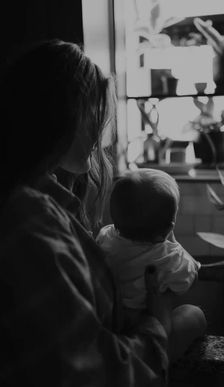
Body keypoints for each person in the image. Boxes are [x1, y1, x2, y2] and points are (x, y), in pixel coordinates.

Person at [0, 40, 172, 386]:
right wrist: (157, 325)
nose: (99, 130)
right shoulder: (26, 220)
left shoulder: (44, 198)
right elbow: (89, 372)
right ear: (63, 112)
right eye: (95, 110)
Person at [97, 168, 207, 361]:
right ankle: (161, 361)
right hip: (150, 329)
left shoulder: (105, 237)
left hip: (112, 326)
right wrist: (172, 242)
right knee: (194, 314)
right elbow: (189, 279)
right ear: (169, 226)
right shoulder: (169, 256)